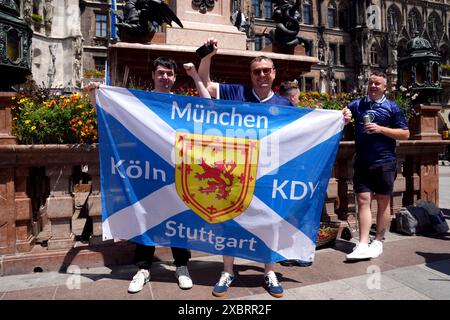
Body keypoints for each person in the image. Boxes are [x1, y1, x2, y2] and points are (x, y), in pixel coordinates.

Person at [198, 38, 352, 298]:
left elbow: (306, 134)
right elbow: (204, 82)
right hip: (237, 172)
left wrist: (340, 119)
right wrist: (207, 55)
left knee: (271, 222)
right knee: (230, 220)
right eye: (257, 71)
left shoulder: (285, 105)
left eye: (266, 70)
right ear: (251, 75)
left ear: (274, 73)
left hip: (271, 174)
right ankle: (227, 271)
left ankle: (269, 271)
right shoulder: (237, 93)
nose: (261, 75)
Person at [86, 56, 193, 293]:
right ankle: (143, 268)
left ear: (175, 78)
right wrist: (95, 95)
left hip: (178, 173)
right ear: (153, 76)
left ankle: (182, 266)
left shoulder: (183, 105)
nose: (165, 77)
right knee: (147, 216)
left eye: (169, 74)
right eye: (161, 73)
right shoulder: (139, 102)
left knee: (180, 219)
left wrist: (197, 75)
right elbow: (109, 116)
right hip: (148, 172)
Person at [346, 71, 410, 261]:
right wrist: (344, 114)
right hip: (363, 161)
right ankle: (363, 243)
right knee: (363, 200)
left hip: (385, 161)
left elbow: (405, 134)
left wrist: (381, 129)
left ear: (385, 87)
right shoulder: (357, 105)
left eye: (377, 84)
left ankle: (379, 240)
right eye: (371, 83)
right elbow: (343, 115)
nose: (373, 86)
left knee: (383, 202)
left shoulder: (392, 107)